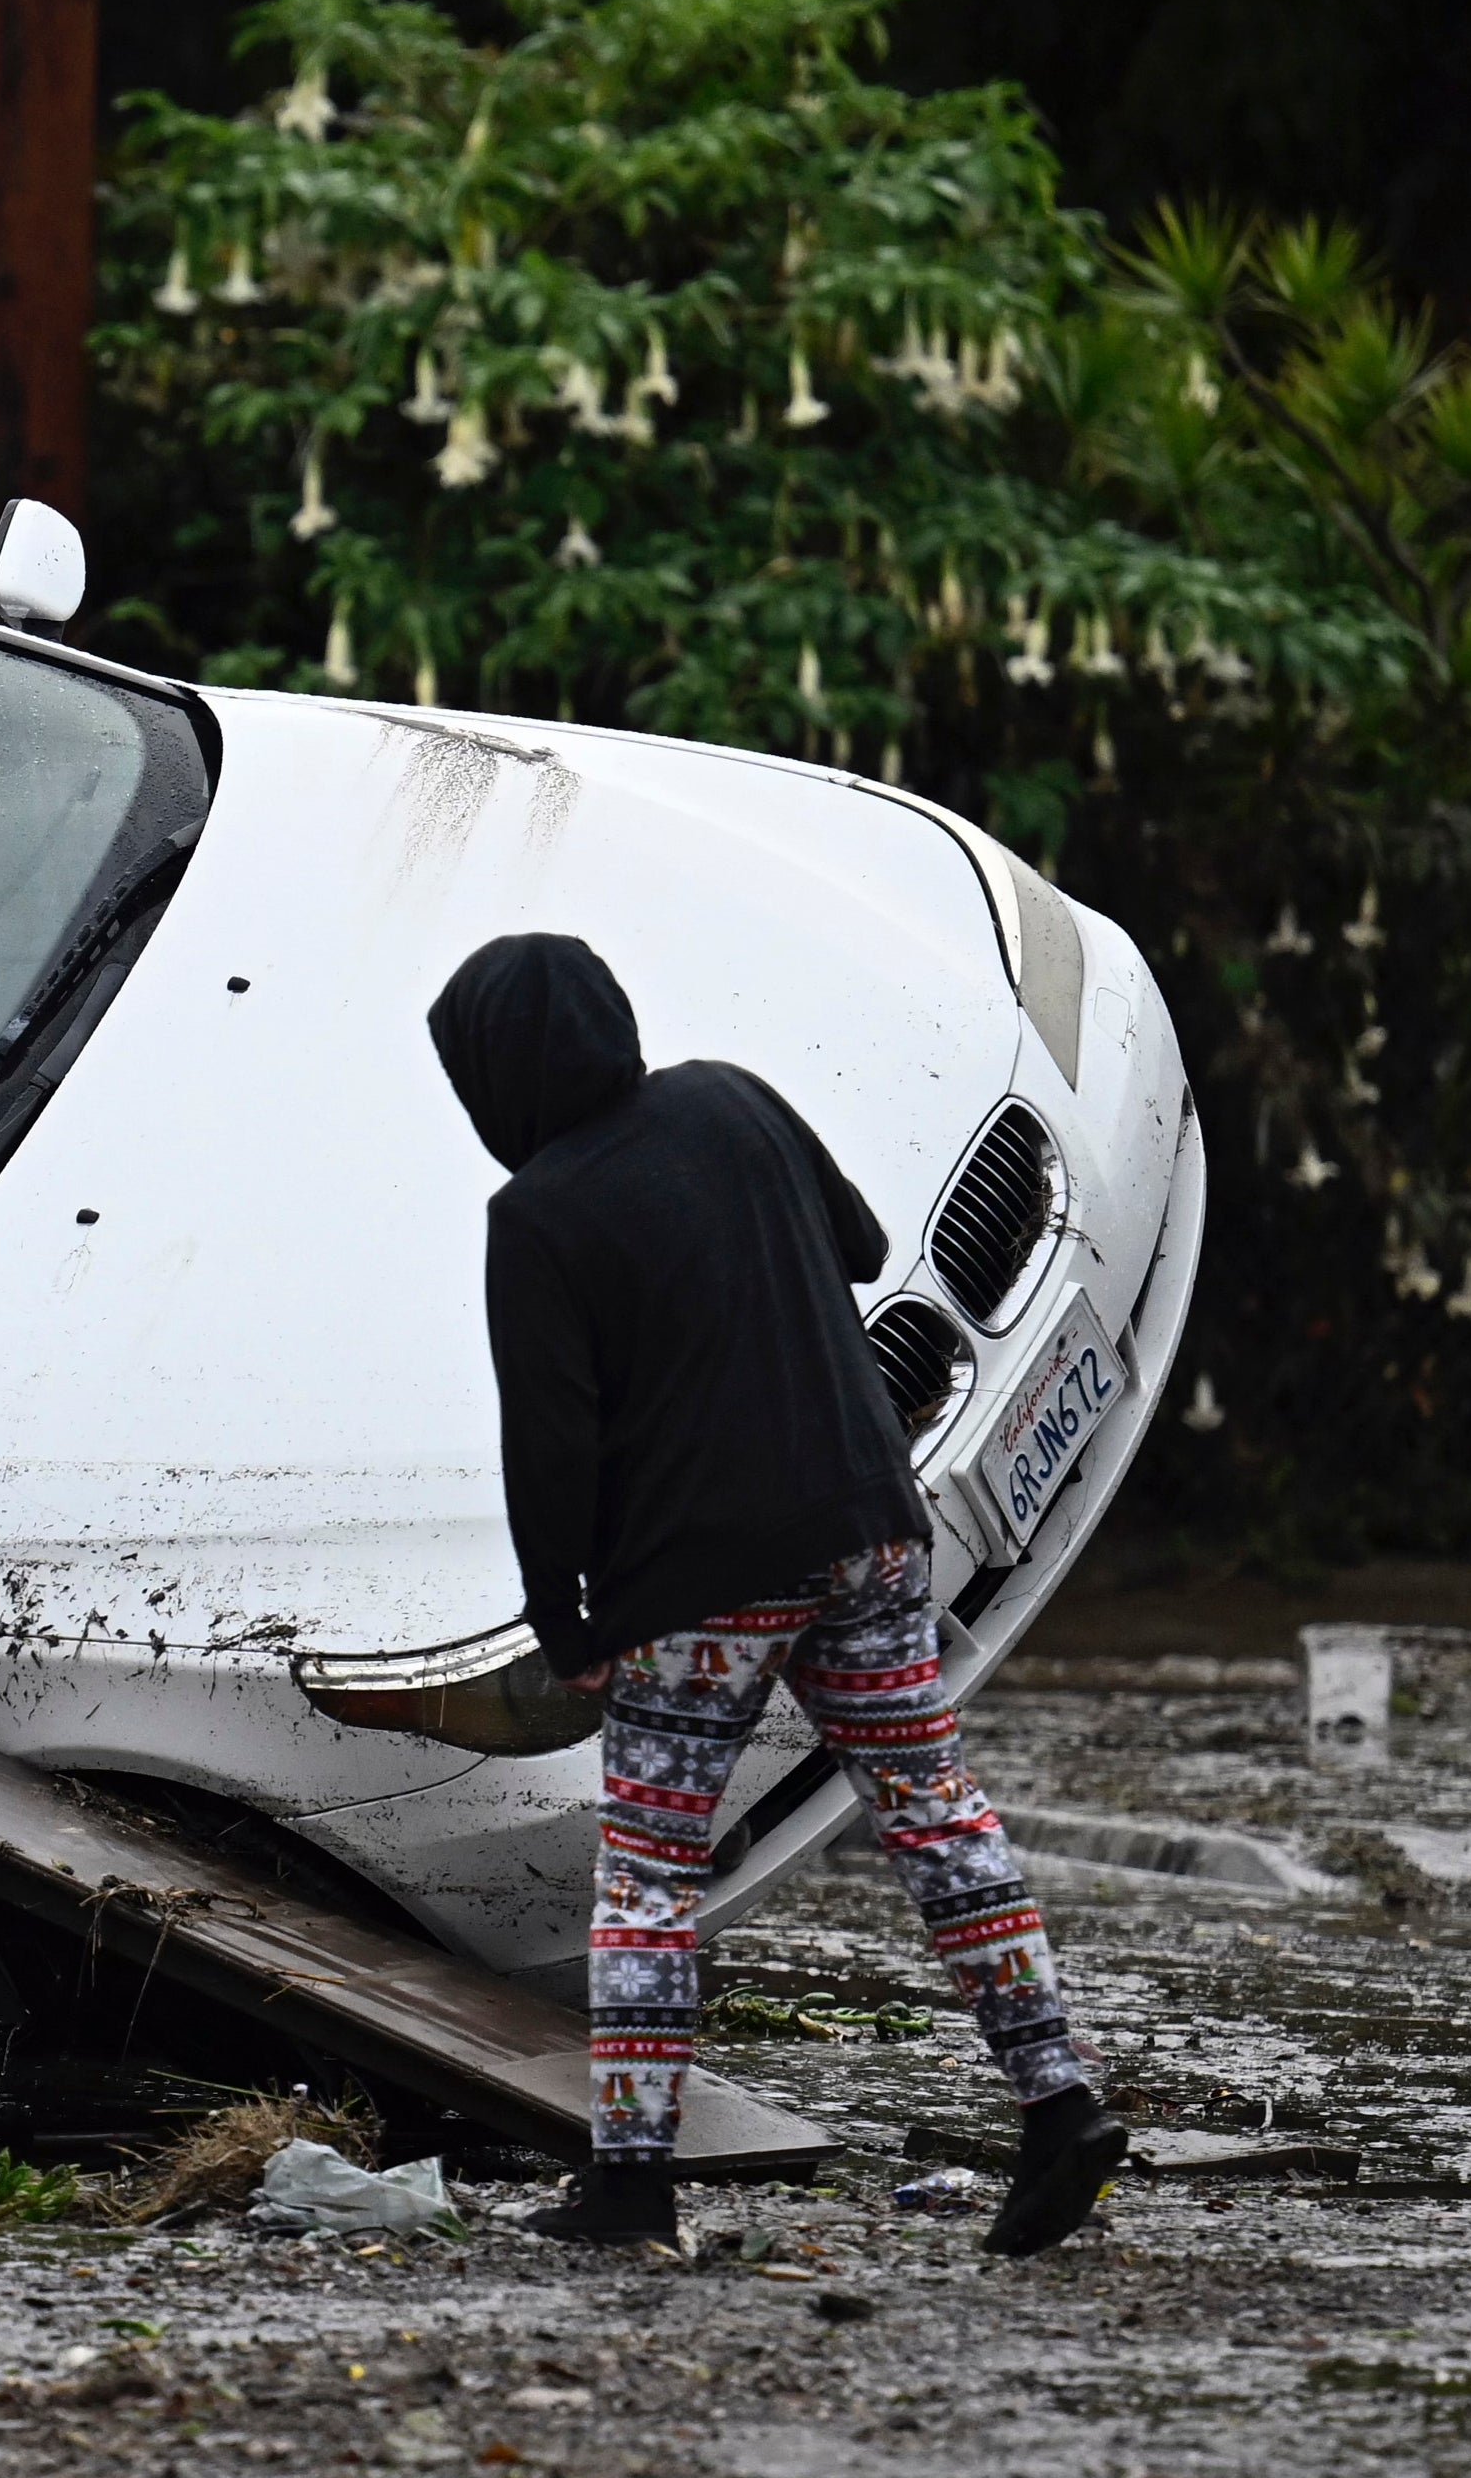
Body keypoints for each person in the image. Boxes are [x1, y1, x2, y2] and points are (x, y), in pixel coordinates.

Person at [427, 930, 1130, 2259]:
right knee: (934, 1819)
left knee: (646, 1872)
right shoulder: (729, 1097)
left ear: (489, 1080)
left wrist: (562, 1618)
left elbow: (551, 1437)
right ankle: (1058, 2104)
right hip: (865, 1527)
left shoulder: (535, 1216)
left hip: (700, 1584)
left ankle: (631, 2182)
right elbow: (860, 1245)